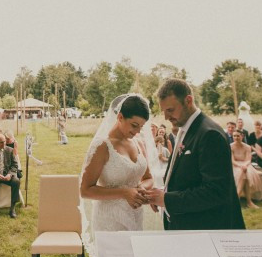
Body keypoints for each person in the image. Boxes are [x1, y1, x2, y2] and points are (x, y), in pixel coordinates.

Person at [147, 79, 245, 230]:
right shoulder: (187, 128)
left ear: (188, 100)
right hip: (187, 223)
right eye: (164, 111)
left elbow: (216, 191)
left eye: (170, 110)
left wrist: (167, 200)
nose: (166, 117)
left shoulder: (209, 134)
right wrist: (163, 193)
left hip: (206, 227)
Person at [80, 94, 154, 238]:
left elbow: (148, 178)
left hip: (135, 214)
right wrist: (125, 192)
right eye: (134, 125)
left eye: (141, 127)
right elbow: (85, 190)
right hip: (110, 220)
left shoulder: (138, 142)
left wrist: (141, 189)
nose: (137, 131)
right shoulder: (102, 146)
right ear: (120, 117)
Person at [231, 130, 262, 209]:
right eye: (234, 136)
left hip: (246, 165)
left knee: (245, 173)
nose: (236, 138)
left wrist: (244, 165)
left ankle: (236, 200)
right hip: (235, 165)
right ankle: (248, 202)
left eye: (238, 136)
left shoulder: (247, 147)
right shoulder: (230, 146)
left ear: (242, 136)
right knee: (244, 173)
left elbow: (248, 160)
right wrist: (240, 166)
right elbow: (232, 160)